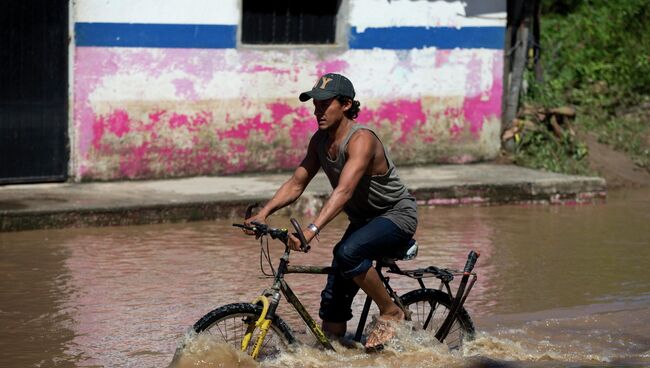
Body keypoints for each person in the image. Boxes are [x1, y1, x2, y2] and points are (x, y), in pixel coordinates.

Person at [244, 73, 418, 349]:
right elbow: (297, 182)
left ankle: (391, 311)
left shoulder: (361, 140)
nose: (318, 111)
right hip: (364, 221)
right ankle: (334, 353)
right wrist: (263, 213)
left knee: (347, 253)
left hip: (396, 216)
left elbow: (344, 191)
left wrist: (311, 230)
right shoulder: (320, 141)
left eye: (325, 105)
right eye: (315, 105)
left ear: (346, 104)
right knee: (332, 302)